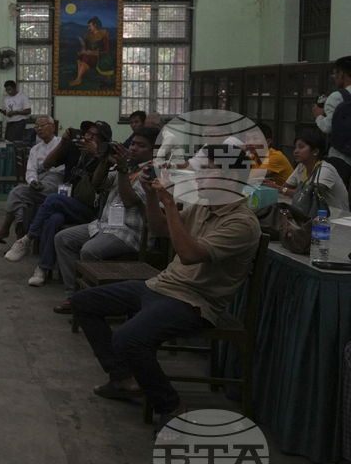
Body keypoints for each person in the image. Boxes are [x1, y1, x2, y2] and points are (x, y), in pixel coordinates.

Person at [70, 151, 260, 437]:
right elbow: (159, 228)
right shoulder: (203, 206)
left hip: (195, 302)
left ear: (230, 178)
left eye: (207, 170)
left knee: (127, 339)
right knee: (83, 302)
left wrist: (169, 201)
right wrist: (150, 196)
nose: (199, 175)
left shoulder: (242, 223)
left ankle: (171, 407)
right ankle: (123, 378)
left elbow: (188, 254)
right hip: (162, 286)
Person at [52, 127, 159, 314]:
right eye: (132, 143)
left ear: (154, 151)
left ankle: (92, 304)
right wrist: (102, 161)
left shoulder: (154, 171)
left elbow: (129, 201)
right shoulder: (129, 166)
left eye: (140, 146)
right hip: (107, 226)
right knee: (63, 239)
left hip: (130, 233)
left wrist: (123, 168)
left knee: (90, 250)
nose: (133, 148)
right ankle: (74, 298)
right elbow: (97, 183)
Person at [5, 120, 113, 286]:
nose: (89, 138)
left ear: (103, 141)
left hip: (90, 209)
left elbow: (103, 178)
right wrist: (63, 142)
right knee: (53, 218)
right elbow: (47, 164)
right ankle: (43, 269)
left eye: (95, 136)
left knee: (53, 199)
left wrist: (99, 155)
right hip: (70, 202)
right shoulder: (74, 149)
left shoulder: (106, 157)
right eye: (87, 133)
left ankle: (27, 239)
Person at [0, 116, 62, 244]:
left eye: (42, 125)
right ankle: (20, 243)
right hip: (40, 182)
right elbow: (30, 170)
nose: (39, 129)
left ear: (52, 127)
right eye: (36, 127)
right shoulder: (35, 149)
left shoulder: (61, 144)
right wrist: (32, 181)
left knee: (18, 192)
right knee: (22, 203)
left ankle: (5, 229)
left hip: (55, 181)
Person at [262, 128, 349, 218]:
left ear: (315, 151)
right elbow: (285, 187)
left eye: (301, 147)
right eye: (295, 147)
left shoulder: (325, 169)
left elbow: (310, 195)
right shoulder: (301, 167)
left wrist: (279, 189)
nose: (295, 151)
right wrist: (270, 186)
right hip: (312, 213)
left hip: (336, 217)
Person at [313, 55, 351, 188]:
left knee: (339, 198)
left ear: (341, 74)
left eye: (334, 74)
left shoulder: (338, 96)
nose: (334, 77)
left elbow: (328, 127)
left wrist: (318, 115)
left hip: (341, 157)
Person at [244, 123, 292, 188]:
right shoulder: (253, 157)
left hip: (287, 196)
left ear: (268, 142)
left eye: (255, 139)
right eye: (247, 139)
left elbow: (250, 178)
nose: (250, 143)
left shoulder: (276, 156)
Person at [69, 17, 114, 87]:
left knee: (87, 58)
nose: (88, 28)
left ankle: (78, 79)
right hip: (90, 54)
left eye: (90, 26)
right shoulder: (88, 35)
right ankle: (79, 78)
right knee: (81, 56)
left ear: (95, 25)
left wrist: (93, 52)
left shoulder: (103, 34)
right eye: (88, 27)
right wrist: (84, 51)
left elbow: (105, 49)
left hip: (100, 55)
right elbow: (86, 47)